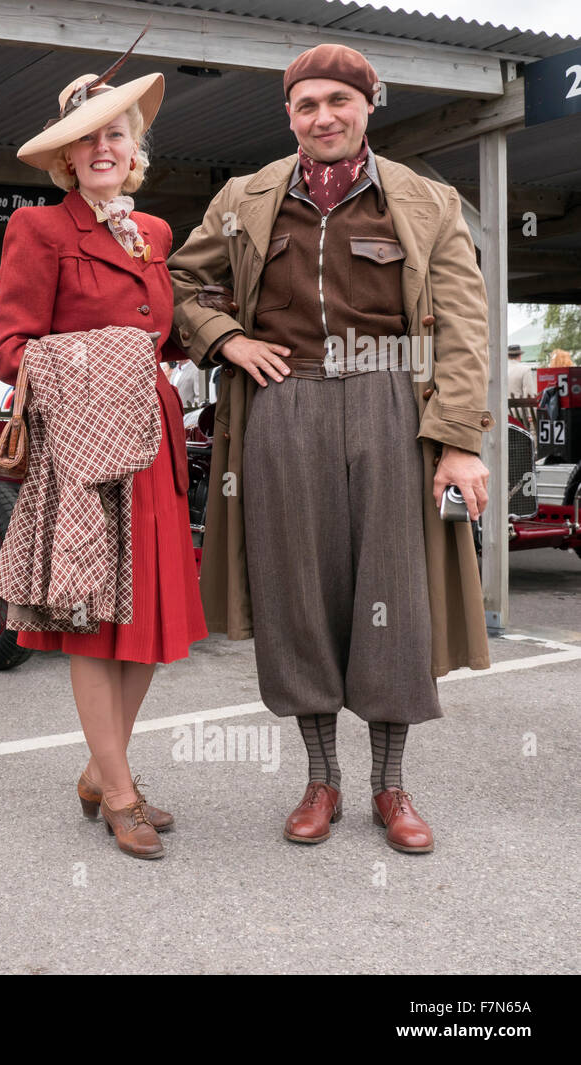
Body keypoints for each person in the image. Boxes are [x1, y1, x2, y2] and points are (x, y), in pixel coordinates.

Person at [169, 43, 493, 855]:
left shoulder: (426, 200)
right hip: (282, 405)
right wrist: (228, 340)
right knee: (295, 595)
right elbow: (180, 283)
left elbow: (463, 325)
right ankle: (321, 780)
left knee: (394, 597)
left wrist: (458, 441)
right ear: (289, 116)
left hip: (393, 406)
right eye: (307, 105)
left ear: (368, 105)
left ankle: (390, 786)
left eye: (338, 103)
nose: (323, 117)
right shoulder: (244, 199)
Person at [0, 62, 206, 860]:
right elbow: (8, 351)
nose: (104, 147)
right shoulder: (37, 229)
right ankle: (119, 790)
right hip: (82, 448)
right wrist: (108, 358)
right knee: (89, 622)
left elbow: (172, 333)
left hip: (155, 444)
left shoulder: (155, 236)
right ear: (68, 159)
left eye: (117, 133)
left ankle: (96, 768)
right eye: (88, 140)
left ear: (134, 147)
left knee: (148, 621)